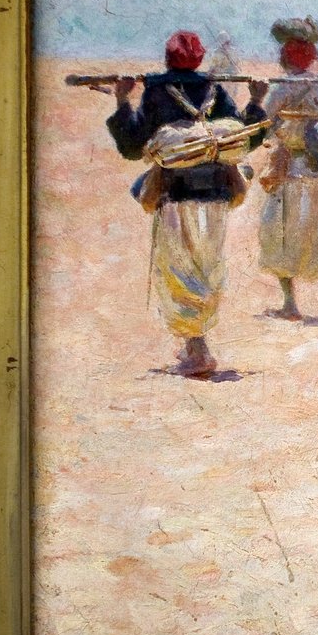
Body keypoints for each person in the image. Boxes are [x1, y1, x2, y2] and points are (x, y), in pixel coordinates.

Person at [106, 30, 268, 377]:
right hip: (217, 195)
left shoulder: (158, 92)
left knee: (181, 269)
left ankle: (197, 349)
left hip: (177, 196)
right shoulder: (214, 91)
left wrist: (122, 101)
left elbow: (132, 147)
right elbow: (245, 137)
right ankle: (197, 343)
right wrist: (256, 101)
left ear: (168, 60)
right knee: (207, 265)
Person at [258, 18, 318, 323]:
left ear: (287, 56)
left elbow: (265, 125)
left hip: (293, 171)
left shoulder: (281, 88)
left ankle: (290, 305)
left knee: (280, 233)